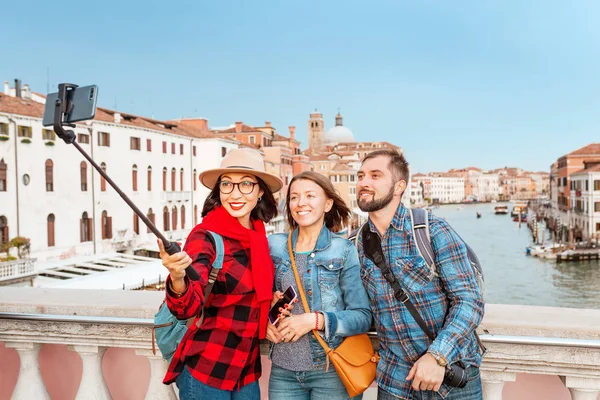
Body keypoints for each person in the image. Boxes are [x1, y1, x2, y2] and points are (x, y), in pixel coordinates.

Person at [355, 149, 484, 400]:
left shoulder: (431, 230)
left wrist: (437, 356)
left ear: (398, 186)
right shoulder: (358, 243)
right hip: (395, 381)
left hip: (451, 377)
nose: (364, 182)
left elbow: (469, 300)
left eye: (375, 175)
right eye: (360, 176)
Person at [158, 148, 283, 400]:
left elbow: (249, 293)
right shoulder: (205, 236)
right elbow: (187, 306)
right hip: (207, 368)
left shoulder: (258, 236)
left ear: (260, 192)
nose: (235, 194)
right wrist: (178, 278)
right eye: (227, 184)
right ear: (218, 191)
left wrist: (270, 303)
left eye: (246, 184)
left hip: (246, 370)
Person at [267, 171, 372, 400]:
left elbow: (363, 316)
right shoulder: (273, 245)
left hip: (330, 371)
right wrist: (265, 317)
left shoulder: (343, 250)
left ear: (328, 204)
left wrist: (314, 320)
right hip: (283, 371)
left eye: (310, 196)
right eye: (294, 197)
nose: (300, 203)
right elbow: (255, 295)